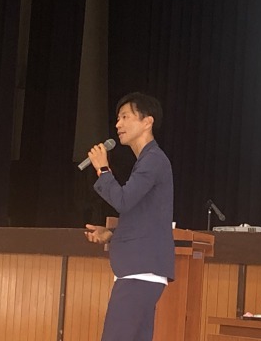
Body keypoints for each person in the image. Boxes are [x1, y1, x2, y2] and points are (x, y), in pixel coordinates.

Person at [84, 92, 174, 341]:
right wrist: (111, 235)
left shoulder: (153, 160)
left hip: (139, 271)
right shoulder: (148, 160)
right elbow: (142, 216)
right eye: (117, 118)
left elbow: (123, 201)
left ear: (147, 121)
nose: (118, 124)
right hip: (141, 270)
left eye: (125, 117)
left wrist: (103, 169)